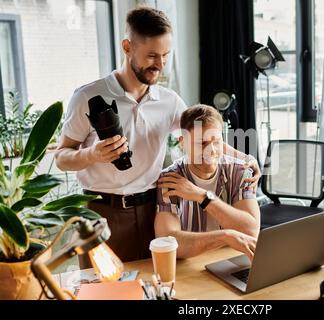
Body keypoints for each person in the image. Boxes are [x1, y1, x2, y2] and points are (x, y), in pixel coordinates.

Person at [55, 7, 260, 266]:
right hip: (102, 213)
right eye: (152, 55)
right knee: (102, 289)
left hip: (153, 209)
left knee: (158, 286)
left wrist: (246, 159)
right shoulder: (87, 97)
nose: (160, 65)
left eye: (165, 55)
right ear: (127, 46)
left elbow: (205, 137)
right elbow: (62, 157)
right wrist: (92, 154)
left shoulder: (169, 100)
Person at [155, 105, 260, 261]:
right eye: (201, 143)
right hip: (191, 265)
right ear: (182, 142)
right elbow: (168, 242)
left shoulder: (240, 172)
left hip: (233, 258)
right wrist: (225, 236)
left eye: (216, 142)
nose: (211, 150)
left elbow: (251, 231)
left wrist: (202, 196)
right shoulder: (171, 179)